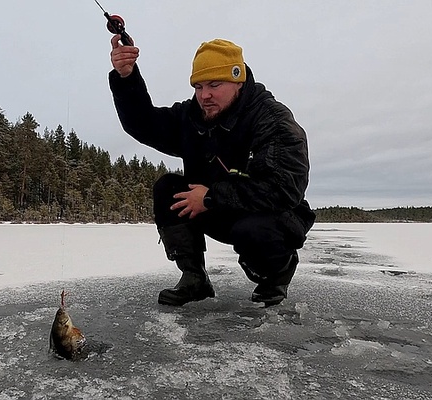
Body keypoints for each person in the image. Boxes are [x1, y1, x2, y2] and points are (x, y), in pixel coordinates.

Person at [108, 36, 316, 307]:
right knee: (168, 189)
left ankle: (276, 275)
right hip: (216, 208)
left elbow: (283, 189)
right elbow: (144, 124)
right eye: (199, 86)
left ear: (238, 81)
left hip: (270, 217)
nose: (204, 95)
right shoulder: (192, 116)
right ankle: (195, 278)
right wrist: (127, 77)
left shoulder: (273, 121)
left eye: (214, 85)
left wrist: (210, 198)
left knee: (253, 231)